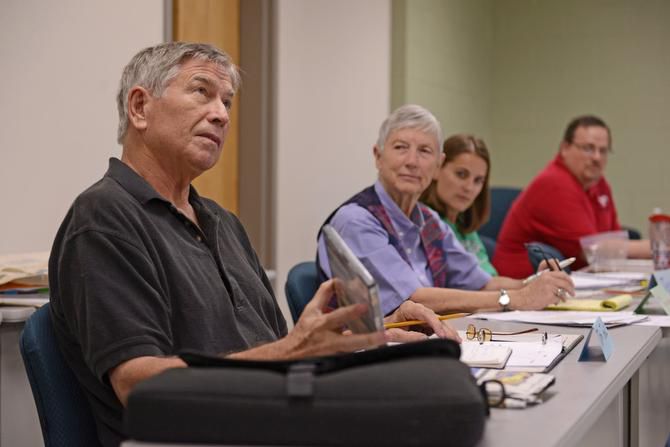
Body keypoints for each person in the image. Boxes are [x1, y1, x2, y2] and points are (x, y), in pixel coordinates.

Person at [48, 43, 457, 447]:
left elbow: (276, 349)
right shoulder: (103, 218)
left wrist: (371, 334)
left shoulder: (222, 222)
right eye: (201, 92)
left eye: (227, 101)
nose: (222, 114)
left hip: (272, 419)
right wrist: (295, 350)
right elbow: (140, 387)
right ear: (140, 107)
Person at [316, 105, 574, 317]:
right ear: (377, 156)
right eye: (400, 147)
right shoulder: (356, 221)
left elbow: (482, 282)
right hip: (369, 357)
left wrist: (535, 283)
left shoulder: (428, 221)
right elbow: (414, 298)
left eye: (424, 151)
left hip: (427, 342)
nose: (412, 162)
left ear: (438, 164)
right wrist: (517, 298)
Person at [493, 115, 651, 278]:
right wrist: (658, 247)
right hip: (521, 287)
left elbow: (615, 245)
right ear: (565, 148)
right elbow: (593, 251)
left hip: (576, 280)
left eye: (603, 150)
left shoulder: (599, 184)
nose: (597, 157)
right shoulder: (553, 183)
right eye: (588, 148)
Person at [420, 134, 497, 275]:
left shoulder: (464, 226)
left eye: (478, 180)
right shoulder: (425, 223)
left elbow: (490, 278)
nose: (469, 187)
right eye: (461, 174)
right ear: (437, 168)